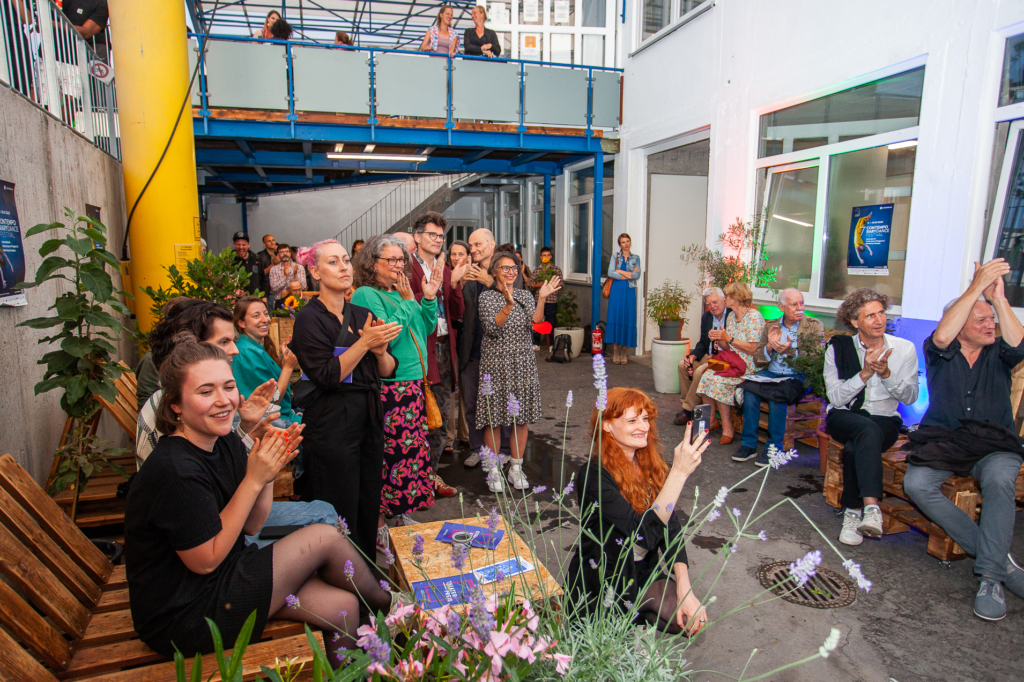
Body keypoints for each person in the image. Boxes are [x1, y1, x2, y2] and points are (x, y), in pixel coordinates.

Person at [125, 342, 405, 661]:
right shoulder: (174, 469)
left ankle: (353, 669)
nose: (223, 400)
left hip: (223, 577)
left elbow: (253, 524)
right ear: (175, 404)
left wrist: (268, 469)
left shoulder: (220, 442)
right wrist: (253, 479)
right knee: (324, 537)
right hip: (184, 614)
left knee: (343, 606)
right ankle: (392, 607)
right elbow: (206, 561)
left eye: (228, 386)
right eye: (206, 391)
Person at [135, 300, 336, 549]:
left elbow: (217, 466)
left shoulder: (187, 410)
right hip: (206, 536)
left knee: (325, 517)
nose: (235, 350)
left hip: (222, 517)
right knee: (325, 524)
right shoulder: (174, 423)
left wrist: (247, 429)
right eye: (224, 342)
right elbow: (206, 536)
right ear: (192, 350)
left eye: (229, 388)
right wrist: (257, 470)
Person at [902, 259, 1024, 621]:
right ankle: (998, 560)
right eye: (981, 320)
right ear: (960, 326)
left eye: (992, 320)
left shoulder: (999, 351)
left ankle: (990, 578)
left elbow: (1019, 344)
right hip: (946, 440)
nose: (990, 325)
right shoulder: (942, 351)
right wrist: (975, 287)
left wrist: (997, 298)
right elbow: (942, 336)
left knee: (1000, 481)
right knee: (916, 484)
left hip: (995, 442)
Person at [291, 239, 402, 565]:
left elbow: (388, 370)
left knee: (367, 501)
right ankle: (338, 575)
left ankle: (364, 571)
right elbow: (326, 376)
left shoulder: (362, 314)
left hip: (368, 418)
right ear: (315, 272)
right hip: (331, 424)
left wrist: (379, 352)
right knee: (337, 504)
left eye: (345, 260)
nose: (343, 267)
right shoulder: (309, 319)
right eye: (333, 262)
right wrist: (364, 343)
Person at [566, 388, 709, 634]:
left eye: (645, 418)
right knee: (604, 645)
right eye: (632, 420)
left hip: (641, 571)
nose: (643, 427)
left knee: (692, 621)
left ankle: (635, 621)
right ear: (607, 426)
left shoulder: (648, 464)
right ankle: (626, 626)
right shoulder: (593, 474)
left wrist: (685, 588)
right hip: (604, 579)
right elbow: (643, 535)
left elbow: (670, 528)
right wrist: (679, 473)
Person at [351, 235, 442, 536]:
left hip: (414, 383)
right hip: (391, 386)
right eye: (390, 260)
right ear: (372, 264)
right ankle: (378, 526)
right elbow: (387, 335)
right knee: (388, 457)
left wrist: (427, 299)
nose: (398, 265)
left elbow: (425, 327)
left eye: (401, 259)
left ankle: (400, 516)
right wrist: (407, 302)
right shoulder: (366, 294)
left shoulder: (401, 292)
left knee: (410, 456)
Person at [822, 288, 919, 545]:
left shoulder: (904, 349)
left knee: (857, 446)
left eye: (881, 313)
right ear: (855, 321)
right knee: (866, 430)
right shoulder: (839, 348)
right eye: (870, 316)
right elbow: (836, 398)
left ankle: (852, 512)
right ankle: (872, 507)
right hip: (845, 416)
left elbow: (910, 397)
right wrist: (864, 374)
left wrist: (887, 375)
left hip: (885, 419)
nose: (879, 320)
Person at [477, 251, 560, 491]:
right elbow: (492, 328)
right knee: (493, 418)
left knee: (520, 418)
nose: (511, 272)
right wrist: (508, 305)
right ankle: (493, 470)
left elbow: (535, 323)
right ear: (494, 271)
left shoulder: (524, 295)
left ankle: (516, 467)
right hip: (495, 363)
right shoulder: (487, 297)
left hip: (523, 362)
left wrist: (541, 299)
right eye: (505, 268)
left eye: (514, 267)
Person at [732, 288, 826, 466]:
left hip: (797, 375)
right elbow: (758, 359)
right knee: (749, 392)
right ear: (782, 307)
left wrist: (792, 352)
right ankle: (748, 444)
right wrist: (769, 347)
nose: (800, 308)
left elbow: (817, 359)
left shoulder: (814, 325)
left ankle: (774, 449)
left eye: (802, 303)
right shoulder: (771, 326)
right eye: (794, 304)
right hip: (771, 372)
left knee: (777, 396)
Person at [409, 212, 468, 499]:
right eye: (432, 234)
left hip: (445, 348)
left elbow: (457, 313)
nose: (437, 240)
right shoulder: (406, 267)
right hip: (418, 351)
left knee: (441, 419)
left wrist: (454, 283)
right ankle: (411, 481)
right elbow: (406, 307)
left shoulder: (444, 268)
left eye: (440, 236)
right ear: (417, 236)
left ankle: (429, 476)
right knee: (414, 419)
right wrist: (429, 294)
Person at [696, 281, 764, 445]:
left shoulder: (754, 317)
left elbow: (753, 349)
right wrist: (719, 338)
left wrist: (728, 338)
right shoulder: (732, 316)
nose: (724, 298)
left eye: (727, 296)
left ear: (737, 298)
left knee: (718, 381)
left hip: (748, 366)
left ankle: (728, 428)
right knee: (706, 375)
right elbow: (728, 346)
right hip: (733, 361)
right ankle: (712, 420)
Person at [232, 296, 302, 429]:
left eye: (265, 314)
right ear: (241, 323)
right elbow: (272, 400)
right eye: (256, 316)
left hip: (283, 416)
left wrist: (285, 359)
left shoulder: (253, 348)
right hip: (275, 422)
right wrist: (288, 367)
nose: (265, 320)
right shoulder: (247, 353)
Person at [675, 287, 731, 426]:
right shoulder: (707, 317)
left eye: (715, 302)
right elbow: (703, 342)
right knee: (684, 365)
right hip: (708, 355)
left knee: (700, 371)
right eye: (709, 304)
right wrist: (693, 356)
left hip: (724, 358)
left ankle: (687, 411)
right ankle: (688, 404)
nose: (712, 306)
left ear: (723, 299)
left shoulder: (731, 316)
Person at [444, 240, 472, 452]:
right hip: (450, 336)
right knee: (450, 387)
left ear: (468, 256)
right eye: (453, 254)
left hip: (469, 337)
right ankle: (447, 438)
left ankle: (466, 434)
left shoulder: (475, 277)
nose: (456, 258)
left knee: (467, 388)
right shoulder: (446, 275)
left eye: (461, 254)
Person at [606, 233, 641, 365]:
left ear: (630, 242)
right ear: (619, 244)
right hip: (617, 290)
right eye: (623, 242)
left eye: (627, 241)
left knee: (627, 318)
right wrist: (629, 274)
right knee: (616, 317)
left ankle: (624, 351)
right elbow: (611, 273)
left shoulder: (636, 258)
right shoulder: (615, 256)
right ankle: (615, 351)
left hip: (629, 291)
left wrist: (620, 271)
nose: (626, 244)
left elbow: (637, 275)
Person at [529, 246, 562, 350]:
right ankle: (537, 344)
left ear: (551, 256)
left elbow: (561, 283)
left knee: (551, 323)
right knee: (537, 322)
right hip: (539, 301)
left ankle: (552, 345)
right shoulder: (537, 270)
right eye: (544, 255)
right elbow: (531, 285)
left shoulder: (556, 269)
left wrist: (551, 285)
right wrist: (539, 285)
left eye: (548, 255)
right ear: (541, 257)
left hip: (551, 300)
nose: (546, 257)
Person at [232, 232, 262, 296]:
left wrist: (264, 297)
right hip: (237, 299)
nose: (241, 247)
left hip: (255, 298)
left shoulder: (256, 258)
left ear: (249, 244)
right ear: (234, 244)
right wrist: (234, 292)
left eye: (244, 245)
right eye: (238, 244)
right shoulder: (229, 260)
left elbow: (263, 279)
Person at [257, 234, 280, 298]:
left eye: (273, 240)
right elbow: (260, 274)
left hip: (279, 290)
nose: (272, 242)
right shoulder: (260, 256)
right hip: (267, 292)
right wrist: (273, 264)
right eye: (269, 241)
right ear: (264, 244)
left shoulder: (278, 255)